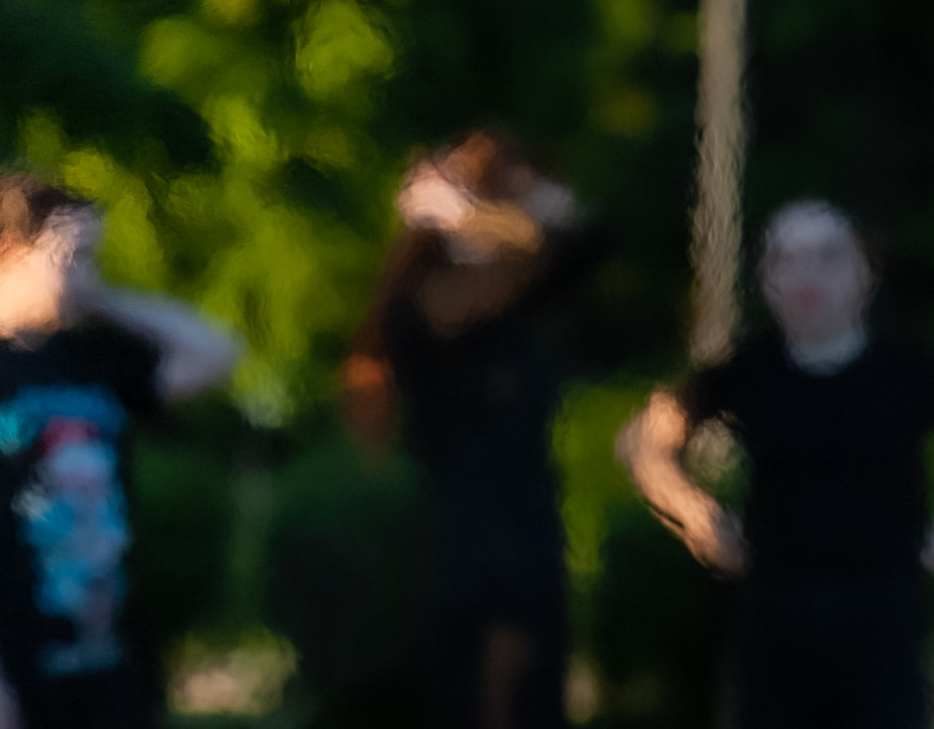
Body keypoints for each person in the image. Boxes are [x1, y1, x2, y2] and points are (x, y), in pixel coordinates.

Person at [0, 170, 241, 729]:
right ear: (9, 251)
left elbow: (216, 351)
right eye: (69, 256)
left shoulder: (86, 355)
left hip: (111, 666)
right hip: (17, 671)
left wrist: (102, 298)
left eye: (92, 257)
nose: (85, 274)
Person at [620, 198, 934, 729]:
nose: (805, 275)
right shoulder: (745, 370)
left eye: (828, 257)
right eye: (786, 259)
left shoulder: (908, 372)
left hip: (884, 614)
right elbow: (643, 442)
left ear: (867, 273)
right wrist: (696, 513)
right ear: (766, 279)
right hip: (775, 613)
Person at [341, 131, 592, 729]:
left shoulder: (521, 302)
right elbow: (527, 248)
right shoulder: (423, 307)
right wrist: (458, 213)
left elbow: (569, 236)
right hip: (461, 553)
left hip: (530, 543)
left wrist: (464, 208)